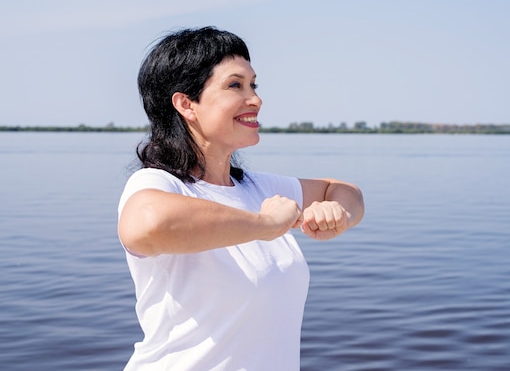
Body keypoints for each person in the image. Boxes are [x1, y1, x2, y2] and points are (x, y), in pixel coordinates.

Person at [117, 26, 364, 371]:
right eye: (235, 85)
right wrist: (265, 224)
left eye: (253, 85)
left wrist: (339, 214)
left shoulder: (257, 188)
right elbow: (146, 224)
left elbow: (344, 190)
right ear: (186, 104)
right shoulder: (159, 184)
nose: (255, 99)